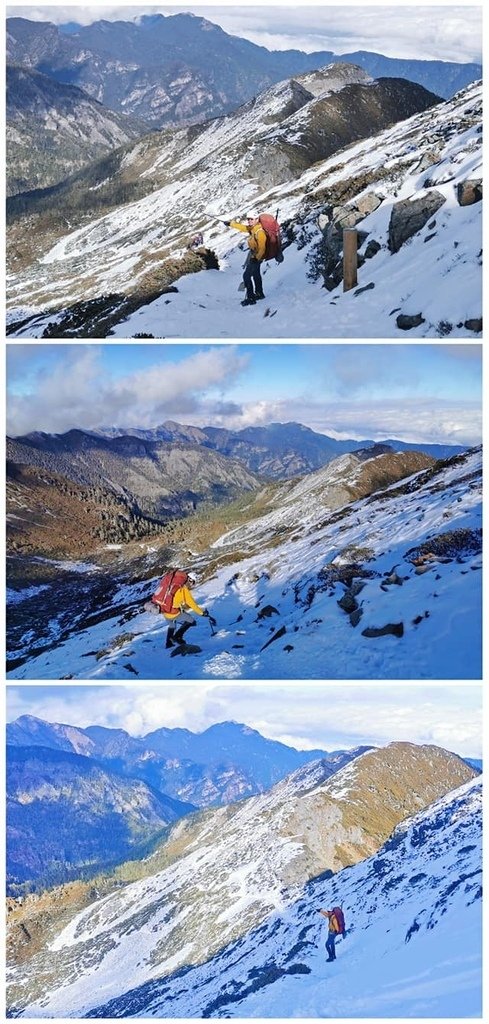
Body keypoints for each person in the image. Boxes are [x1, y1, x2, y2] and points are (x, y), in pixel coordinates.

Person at [153, 572, 209, 649]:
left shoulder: (174, 585)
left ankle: (168, 643)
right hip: (173, 612)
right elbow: (192, 604)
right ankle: (177, 637)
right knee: (191, 621)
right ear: (190, 580)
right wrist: (202, 613)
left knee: (172, 625)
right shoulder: (184, 589)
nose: (192, 585)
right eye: (193, 582)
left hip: (164, 610)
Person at [223, 212, 266, 306]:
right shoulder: (253, 228)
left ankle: (251, 298)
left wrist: (256, 258)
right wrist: (230, 224)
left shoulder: (260, 232)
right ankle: (259, 293)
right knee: (256, 274)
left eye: (252, 219)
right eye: (248, 219)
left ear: (256, 219)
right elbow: (243, 227)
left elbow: (262, 248)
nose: (249, 221)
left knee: (246, 276)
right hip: (254, 255)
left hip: (257, 256)